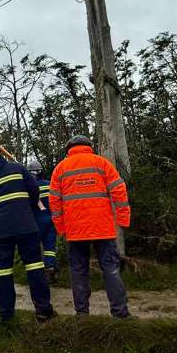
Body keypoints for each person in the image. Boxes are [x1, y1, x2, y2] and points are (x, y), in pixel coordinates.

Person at [49, 135, 131, 318]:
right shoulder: (102, 163)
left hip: (75, 231)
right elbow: (119, 190)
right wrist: (123, 219)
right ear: (88, 146)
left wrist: (61, 229)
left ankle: (82, 314)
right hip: (103, 228)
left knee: (78, 271)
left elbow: (54, 203)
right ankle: (120, 313)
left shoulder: (60, 169)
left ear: (69, 149)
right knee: (111, 269)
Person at [0, 142, 55, 323]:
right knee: (35, 267)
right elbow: (34, 190)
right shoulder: (18, 168)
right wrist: (24, 208)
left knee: (3, 271)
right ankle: (43, 312)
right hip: (26, 226)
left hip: (0, 231)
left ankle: (6, 316)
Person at [27, 159, 58, 283]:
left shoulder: (29, 187)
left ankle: (36, 273)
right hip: (51, 220)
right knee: (50, 246)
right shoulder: (50, 184)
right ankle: (51, 269)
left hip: (36, 221)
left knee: (34, 247)